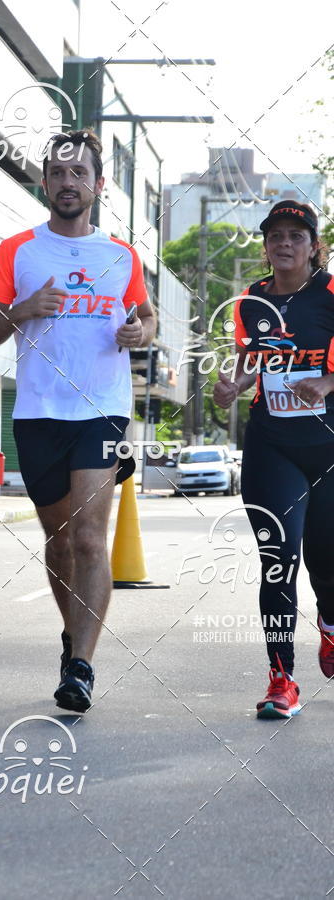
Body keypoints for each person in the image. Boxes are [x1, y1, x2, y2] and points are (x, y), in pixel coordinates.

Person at [0, 129, 156, 712]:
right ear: (45, 182)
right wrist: (24, 308)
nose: (68, 182)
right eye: (58, 173)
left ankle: (82, 665)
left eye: (80, 174)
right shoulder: (18, 251)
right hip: (39, 411)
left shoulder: (121, 256)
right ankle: (71, 635)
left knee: (87, 537)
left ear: (99, 185)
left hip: (101, 409)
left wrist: (139, 333)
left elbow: (147, 319)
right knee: (57, 543)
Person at [214, 200, 334, 719]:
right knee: (278, 561)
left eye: (295, 235)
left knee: (326, 561)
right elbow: (251, 361)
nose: (284, 243)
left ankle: (329, 624)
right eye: (275, 235)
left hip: (328, 445)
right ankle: (281, 679)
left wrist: (327, 381)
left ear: (313, 246)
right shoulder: (250, 302)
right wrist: (233, 385)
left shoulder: (330, 293)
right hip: (272, 445)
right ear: (265, 246)